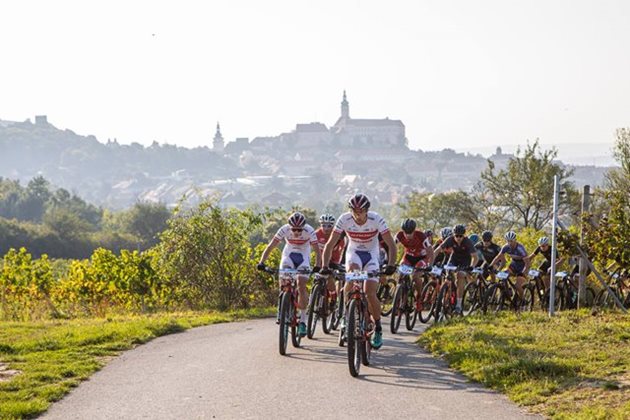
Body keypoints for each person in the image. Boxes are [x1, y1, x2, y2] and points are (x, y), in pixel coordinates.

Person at [320, 193, 396, 349]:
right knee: (351, 278)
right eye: (354, 210)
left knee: (370, 292)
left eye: (360, 210)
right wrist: (325, 266)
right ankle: (345, 317)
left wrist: (391, 265)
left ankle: (379, 328)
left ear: (367, 210)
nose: (357, 214)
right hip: (354, 254)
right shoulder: (344, 219)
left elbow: (391, 244)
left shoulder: (376, 219)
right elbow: (329, 245)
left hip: (372, 255)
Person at [258, 212, 321, 337]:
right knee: (283, 280)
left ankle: (302, 321)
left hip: (303, 258)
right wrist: (261, 262)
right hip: (288, 256)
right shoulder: (284, 229)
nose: (297, 232)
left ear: (304, 227)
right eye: (294, 229)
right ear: (289, 226)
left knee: (301, 285)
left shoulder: (309, 230)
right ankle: (281, 306)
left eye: (299, 229)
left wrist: (317, 265)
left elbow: (317, 251)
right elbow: (271, 246)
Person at [432, 224, 478, 315]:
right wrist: (430, 262)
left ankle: (458, 304)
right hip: (454, 259)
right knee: (447, 277)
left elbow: (475, 257)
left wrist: (471, 267)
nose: (458, 238)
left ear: (463, 235)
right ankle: (444, 300)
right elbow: (437, 250)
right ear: (453, 235)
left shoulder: (468, 242)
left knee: (460, 275)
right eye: (456, 235)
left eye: (461, 236)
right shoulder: (449, 239)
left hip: (465, 260)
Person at [395, 218, 434, 306]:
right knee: (401, 275)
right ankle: (398, 301)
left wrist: (430, 265)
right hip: (408, 257)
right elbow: (392, 247)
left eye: (410, 232)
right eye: (406, 232)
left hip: (421, 258)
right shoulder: (399, 235)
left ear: (414, 230)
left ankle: (419, 297)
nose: (408, 235)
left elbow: (430, 251)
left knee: (416, 276)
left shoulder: (421, 236)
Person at [490, 231, 528, 302]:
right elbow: (498, 257)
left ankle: (523, 299)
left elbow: (527, 263)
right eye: (508, 241)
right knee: (503, 276)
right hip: (514, 265)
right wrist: (491, 265)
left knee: (517, 286)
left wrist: (524, 272)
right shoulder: (506, 247)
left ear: (515, 240)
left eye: (511, 241)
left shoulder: (520, 248)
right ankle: (508, 291)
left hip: (523, 266)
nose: (510, 243)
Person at [315, 214, 346, 294]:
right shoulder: (316, 234)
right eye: (323, 225)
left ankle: (333, 296)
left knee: (330, 279)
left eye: (329, 226)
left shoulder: (336, 235)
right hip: (321, 259)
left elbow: (342, 249)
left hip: (334, 259)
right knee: (317, 278)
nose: (326, 228)